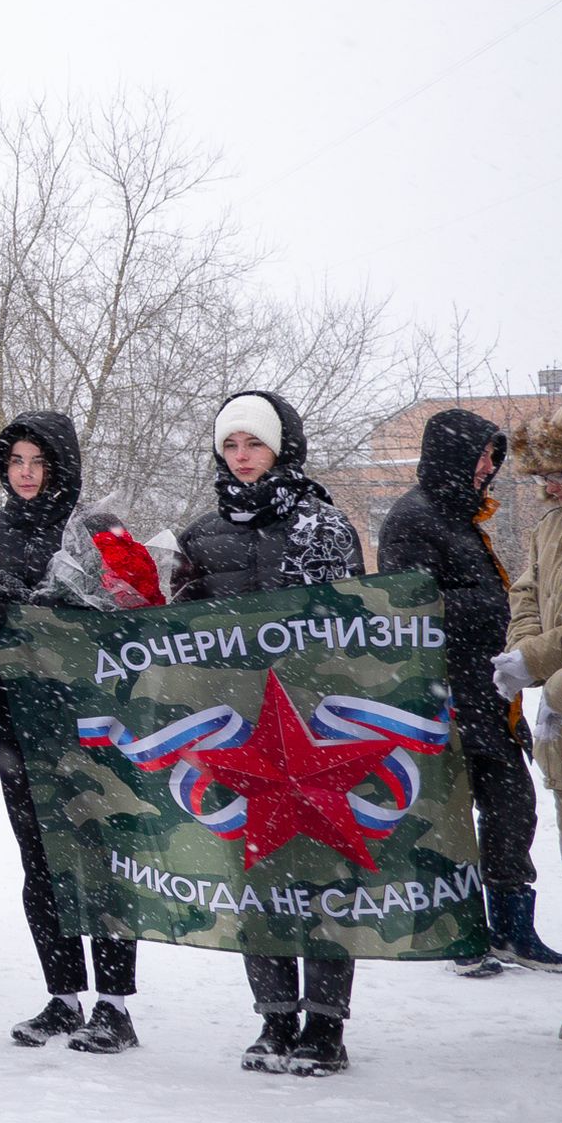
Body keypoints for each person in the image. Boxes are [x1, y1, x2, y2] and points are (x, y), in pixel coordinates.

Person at [177, 389, 364, 1077]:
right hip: (241, 733)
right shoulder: (201, 535)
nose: (242, 455)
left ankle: (326, 1023)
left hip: (317, 729)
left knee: (323, 873)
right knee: (255, 871)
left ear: (280, 447)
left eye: (253, 442)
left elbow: (359, 625)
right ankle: (275, 1017)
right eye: (229, 444)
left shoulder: (325, 526)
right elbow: (179, 630)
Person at [0, 412, 143, 1052]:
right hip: (17, 721)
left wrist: (54, 608)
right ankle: (63, 997)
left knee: (103, 860)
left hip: (92, 722)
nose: (26, 474)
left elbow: (135, 612)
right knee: (39, 862)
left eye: (39, 461)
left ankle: (114, 1007)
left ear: (63, 466)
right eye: (15, 462)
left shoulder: (98, 529)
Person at [381, 409, 562, 972]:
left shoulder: (461, 517)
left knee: (513, 809)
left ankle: (511, 928)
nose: (490, 466)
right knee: (450, 820)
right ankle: (456, 932)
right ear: (452, 454)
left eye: (493, 455)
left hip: (489, 697)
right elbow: (406, 611)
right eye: (483, 455)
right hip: (445, 698)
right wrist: (495, 614)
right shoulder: (412, 519)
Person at [500, 412, 562, 1033]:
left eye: (561, 472)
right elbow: (527, 592)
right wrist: (525, 653)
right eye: (543, 474)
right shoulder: (549, 526)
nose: (550, 485)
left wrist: (542, 664)